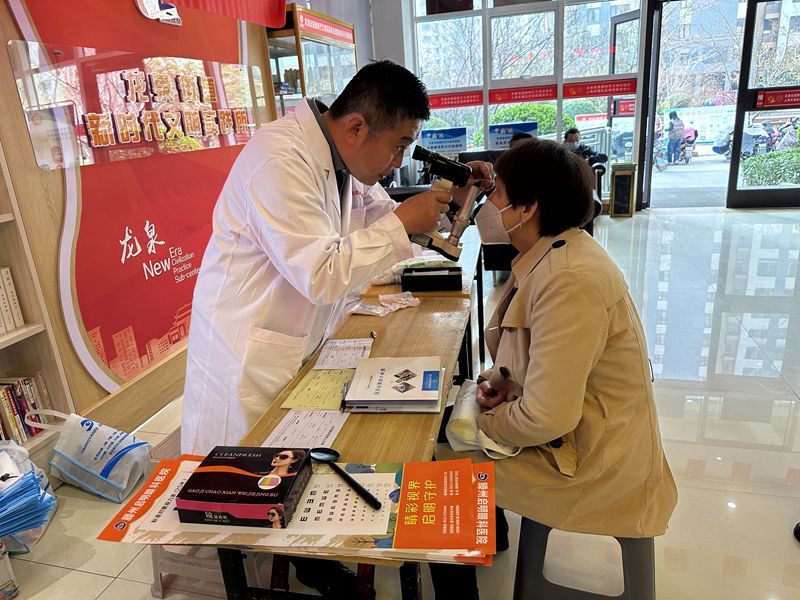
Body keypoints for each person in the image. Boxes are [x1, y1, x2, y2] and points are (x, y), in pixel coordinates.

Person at [181, 60, 492, 599]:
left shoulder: (342, 162)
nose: (399, 161)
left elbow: (379, 223)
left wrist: (450, 201)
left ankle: (309, 559)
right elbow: (322, 272)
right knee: (251, 471)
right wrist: (403, 223)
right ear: (356, 127)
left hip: (296, 333)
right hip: (249, 343)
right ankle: (280, 562)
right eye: (398, 146)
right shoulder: (278, 160)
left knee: (304, 453)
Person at [431, 138, 677, 600]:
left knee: (438, 466)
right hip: (578, 431)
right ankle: (494, 535)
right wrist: (500, 386)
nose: (487, 206)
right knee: (447, 427)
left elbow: (547, 417)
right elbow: (533, 358)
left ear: (527, 208)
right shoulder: (551, 254)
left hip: (593, 461)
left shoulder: (569, 280)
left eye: (496, 193)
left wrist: (482, 422)